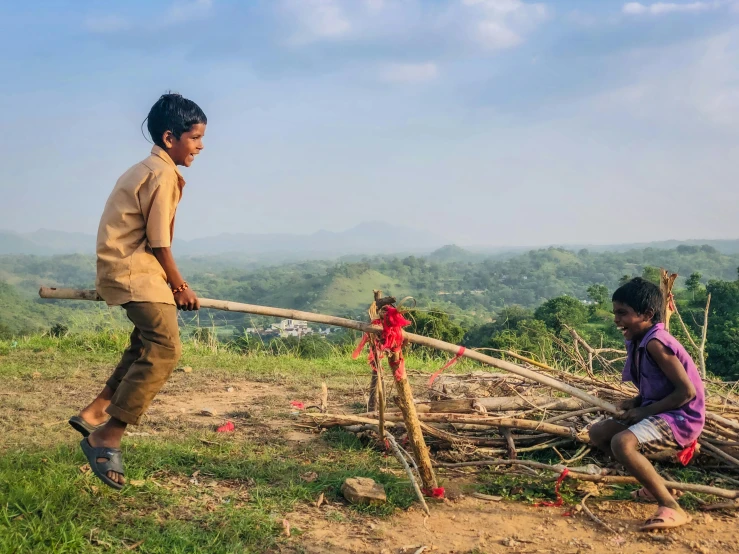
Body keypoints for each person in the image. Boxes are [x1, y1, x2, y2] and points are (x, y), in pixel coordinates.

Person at [68, 93, 206, 489]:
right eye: (194, 137)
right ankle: (107, 436)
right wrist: (179, 286)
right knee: (165, 348)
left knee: (143, 344)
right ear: (169, 137)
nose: (200, 145)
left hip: (125, 268)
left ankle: (96, 410)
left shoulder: (144, 168)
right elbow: (159, 239)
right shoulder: (161, 174)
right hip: (135, 272)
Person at [589, 277, 705, 530]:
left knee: (622, 442)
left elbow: (686, 392)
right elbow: (657, 385)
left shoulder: (655, 343)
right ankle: (654, 487)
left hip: (681, 418)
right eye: (615, 313)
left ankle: (672, 507)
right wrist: (637, 401)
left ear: (647, 314)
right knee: (599, 433)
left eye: (623, 313)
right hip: (663, 411)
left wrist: (645, 410)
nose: (616, 319)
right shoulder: (640, 341)